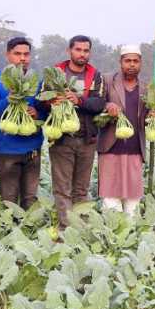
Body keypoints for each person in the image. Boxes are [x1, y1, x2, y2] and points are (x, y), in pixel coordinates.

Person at [48, 35, 105, 229]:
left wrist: (79, 100)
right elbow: (41, 99)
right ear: (69, 51)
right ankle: (65, 229)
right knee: (62, 188)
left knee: (81, 189)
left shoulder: (95, 75)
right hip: (61, 139)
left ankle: (80, 227)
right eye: (78, 50)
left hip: (86, 139)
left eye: (86, 50)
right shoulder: (56, 72)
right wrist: (51, 101)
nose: (82, 54)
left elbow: (99, 103)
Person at [0, 37, 45, 210]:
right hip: (6, 149)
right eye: (17, 54)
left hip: (32, 149)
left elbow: (45, 112)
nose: (22, 58)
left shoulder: (36, 82)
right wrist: (7, 100)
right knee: (9, 200)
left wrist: (37, 113)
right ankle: (10, 233)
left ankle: (29, 234)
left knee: (30, 199)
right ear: (8, 55)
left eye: (26, 54)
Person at [97, 45, 149, 215]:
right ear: (120, 62)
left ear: (140, 63)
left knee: (133, 197)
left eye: (135, 61)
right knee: (110, 195)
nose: (131, 64)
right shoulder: (107, 80)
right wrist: (107, 104)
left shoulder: (146, 88)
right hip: (111, 146)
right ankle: (114, 231)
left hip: (134, 148)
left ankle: (132, 230)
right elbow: (94, 104)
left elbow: (147, 118)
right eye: (128, 60)